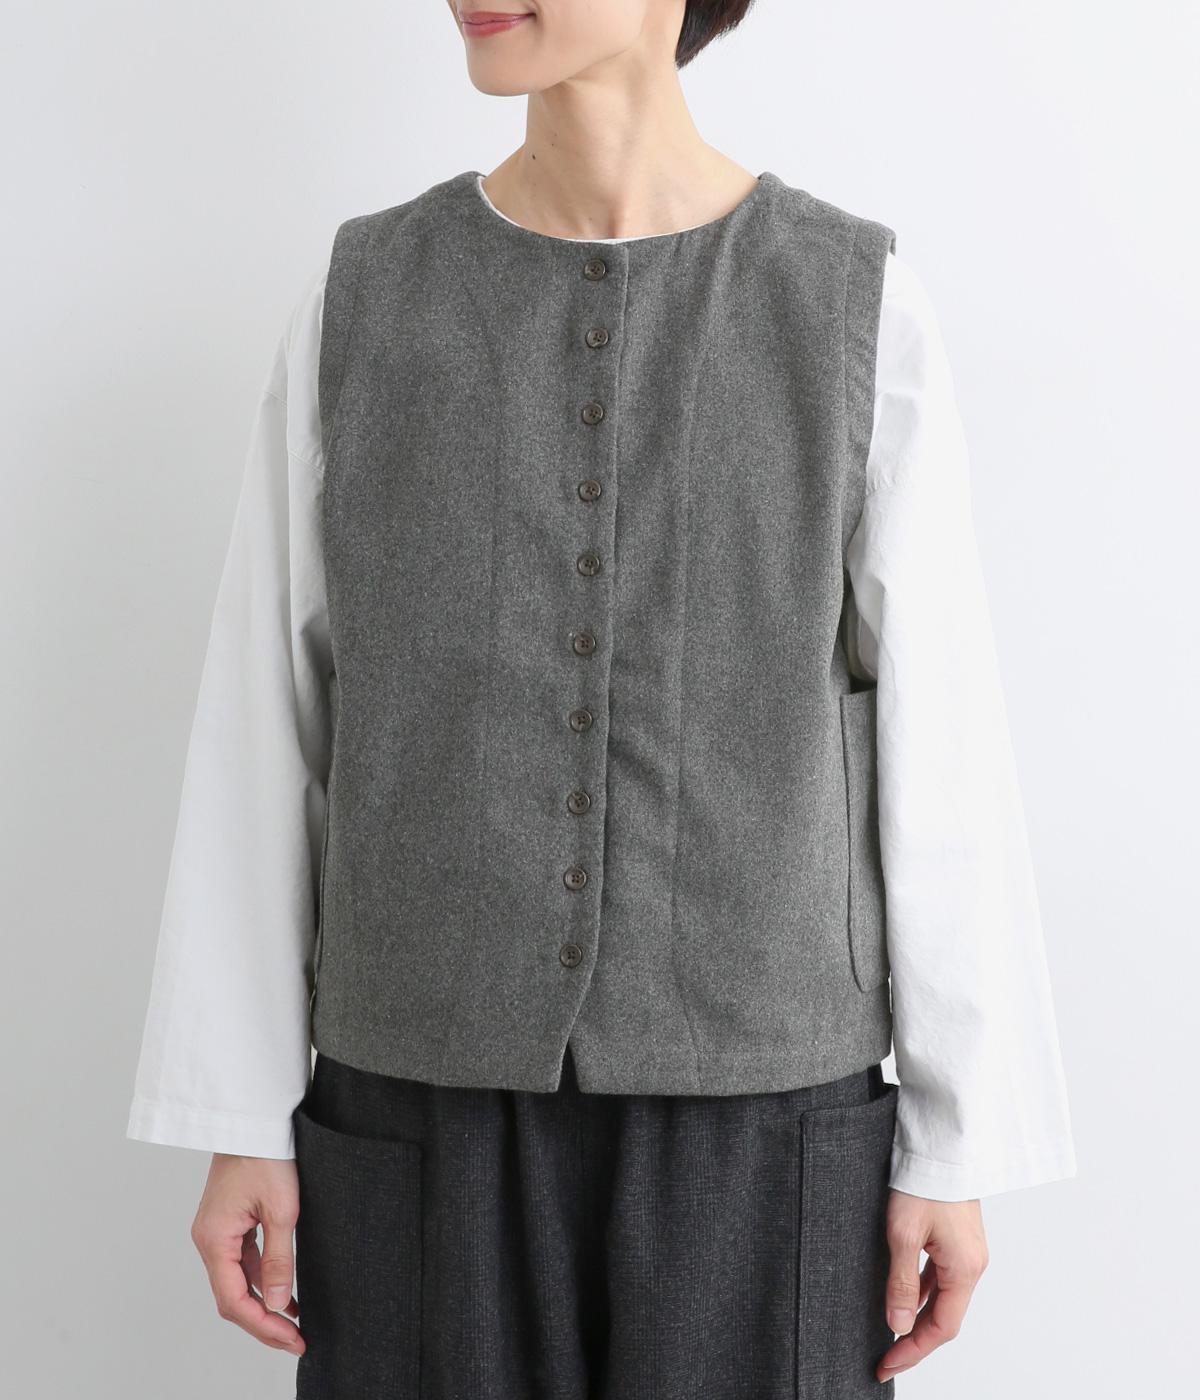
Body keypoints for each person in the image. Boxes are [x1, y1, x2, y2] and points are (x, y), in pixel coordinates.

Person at [126, 3, 1078, 1396]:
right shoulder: (363, 301)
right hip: (417, 1109)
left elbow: (944, 746)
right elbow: (265, 725)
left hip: (763, 1126)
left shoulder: (850, 303)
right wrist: (240, 1114)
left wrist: (956, 1141)